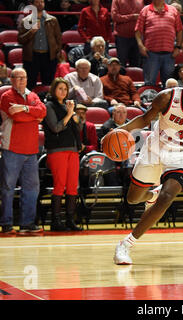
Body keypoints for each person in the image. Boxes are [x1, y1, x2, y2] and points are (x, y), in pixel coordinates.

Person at [113, 64, 183, 265]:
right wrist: (121, 130)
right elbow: (144, 119)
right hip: (155, 150)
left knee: (168, 196)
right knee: (133, 199)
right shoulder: (167, 98)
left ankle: (126, 244)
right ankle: (151, 195)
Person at [0, 68, 46, 234]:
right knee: (7, 188)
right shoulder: (6, 96)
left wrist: (25, 109)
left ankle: (27, 223)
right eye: (17, 77)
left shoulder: (33, 95)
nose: (20, 80)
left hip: (31, 150)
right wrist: (33, 114)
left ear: (27, 79)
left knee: (32, 189)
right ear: (11, 80)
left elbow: (43, 112)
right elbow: (17, 117)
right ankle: (6, 224)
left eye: (23, 77)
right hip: (12, 148)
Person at [42, 78, 83, 231]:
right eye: (60, 89)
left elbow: (77, 128)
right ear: (54, 90)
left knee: (73, 186)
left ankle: (70, 220)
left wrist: (75, 115)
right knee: (60, 185)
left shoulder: (67, 106)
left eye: (65, 89)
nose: (63, 92)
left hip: (72, 149)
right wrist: (69, 114)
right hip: (57, 150)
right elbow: (56, 128)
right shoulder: (49, 106)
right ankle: (56, 221)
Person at [135, 0, 183, 87]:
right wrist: (140, 46)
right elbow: (138, 30)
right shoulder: (145, 10)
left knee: (169, 84)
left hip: (169, 54)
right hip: (150, 54)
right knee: (149, 84)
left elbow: (179, 30)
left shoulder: (173, 10)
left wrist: (178, 47)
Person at [17, 0, 62, 90]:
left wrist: (57, 53)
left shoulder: (52, 20)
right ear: (32, 5)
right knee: (30, 84)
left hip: (49, 56)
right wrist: (31, 31)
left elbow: (58, 39)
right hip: (32, 56)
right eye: (37, 2)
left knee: (49, 84)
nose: (40, 4)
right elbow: (20, 40)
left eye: (42, 2)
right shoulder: (26, 21)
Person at [111, 0, 144, 67]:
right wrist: (132, 17)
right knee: (121, 65)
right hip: (122, 37)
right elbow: (115, 17)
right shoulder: (117, 1)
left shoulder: (140, 1)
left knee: (136, 65)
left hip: (137, 37)